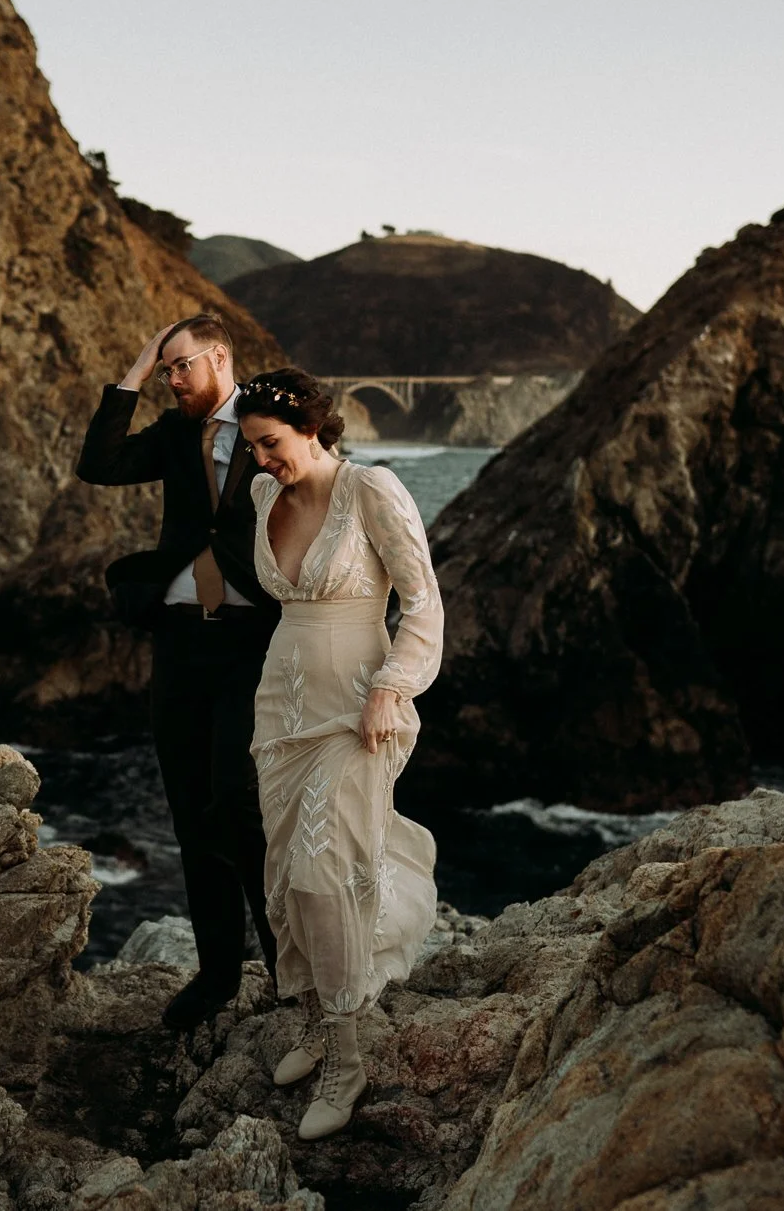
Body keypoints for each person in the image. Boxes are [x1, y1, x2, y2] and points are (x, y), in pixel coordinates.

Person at [236, 368, 442, 1141]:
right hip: (280, 709)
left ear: (315, 427)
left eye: (272, 444)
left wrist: (393, 686)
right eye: (252, 446)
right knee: (290, 872)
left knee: (329, 870)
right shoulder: (264, 498)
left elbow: (423, 600)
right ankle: (318, 1019)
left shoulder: (372, 490)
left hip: (360, 708)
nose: (261, 460)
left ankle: (348, 1057)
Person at [77, 314, 281, 1031]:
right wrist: (132, 371)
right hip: (177, 642)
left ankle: (289, 965)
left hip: (255, 642)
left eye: (180, 366)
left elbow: (317, 486)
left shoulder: (269, 421)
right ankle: (217, 975)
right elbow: (97, 463)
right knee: (192, 809)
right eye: (165, 370)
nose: (173, 380)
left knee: (240, 800)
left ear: (219, 357)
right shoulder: (170, 433)